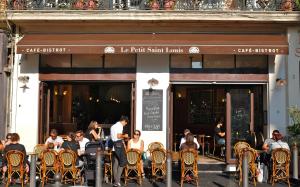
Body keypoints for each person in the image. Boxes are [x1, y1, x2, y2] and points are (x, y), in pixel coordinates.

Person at [110, 115, 129, 187]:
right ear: (124, 121)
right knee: (123, 162)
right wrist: (125, 136)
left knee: (116, 163)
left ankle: (116, 181)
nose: (125, 125)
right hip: (118, 145)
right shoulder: (120, 126)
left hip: (114, 145)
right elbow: (118, 136)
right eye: (125, 123)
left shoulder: (113, 126)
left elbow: (113, 137)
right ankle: (117, 181)